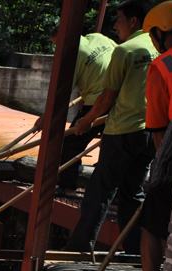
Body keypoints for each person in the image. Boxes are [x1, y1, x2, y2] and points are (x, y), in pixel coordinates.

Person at [68, 0, 158, 254]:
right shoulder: (160, 48)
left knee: (100, 190)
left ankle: (80, 248)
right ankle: (133, 251)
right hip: (150, 131)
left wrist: (85, 121)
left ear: (133, 21)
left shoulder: (125, 51)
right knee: (133, 193)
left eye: (118, 19)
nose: (115, 25)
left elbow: (107, 98)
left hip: (121, 131)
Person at [114, 1, 172, 271]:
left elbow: (157, 129)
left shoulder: (163, 66)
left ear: (158, 33)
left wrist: (161, 175)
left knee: (152, 226)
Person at [53, 30, 116, 194]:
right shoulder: (98, 37)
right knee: (110, 142)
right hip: (118, 96)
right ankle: (94, 176)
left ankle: (67, 187)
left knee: (71, 142)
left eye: (55, 44)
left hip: (99, 101)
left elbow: (61, 92)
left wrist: (46, 118)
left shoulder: (71, 56)